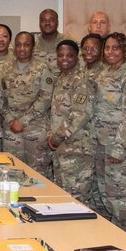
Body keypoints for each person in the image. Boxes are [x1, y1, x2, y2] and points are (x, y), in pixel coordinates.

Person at [92, 32, 126, 235]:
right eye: (107, 48)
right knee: (105, 192)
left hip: (123, 147)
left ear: (125, 50)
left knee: (120, 195)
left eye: (115, 48)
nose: (110, 52)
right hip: (102, 142)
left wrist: (119, 148)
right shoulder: (104, 73)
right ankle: (112, 234)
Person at [47, 40, 99, 209]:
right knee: (63, 197)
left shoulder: (80, 80)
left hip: (77, 150)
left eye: (69, 55)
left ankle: (82, 235)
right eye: (61, 55)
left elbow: (80, 114)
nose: (64, 59)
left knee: (77, 201)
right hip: (62, 150)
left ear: (77, 57)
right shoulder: (61, 79)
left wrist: (58, 137)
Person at [0, 32, 55, 177]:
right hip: (11, 131)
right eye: (18, 45)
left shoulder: (42, 68)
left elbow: (46, 98)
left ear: (33, 47)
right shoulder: (5, 69)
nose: (22, 48)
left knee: (38, 175)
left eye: (26, 45)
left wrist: (23, 121)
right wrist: (11, 120)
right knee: (12, 173)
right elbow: (0, 99)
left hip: (35, 131)